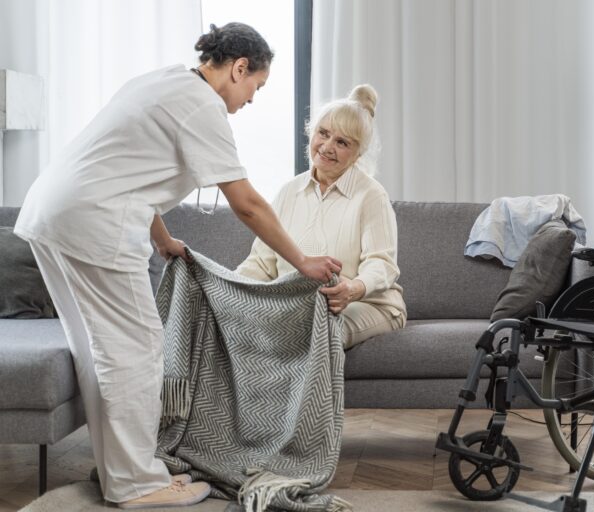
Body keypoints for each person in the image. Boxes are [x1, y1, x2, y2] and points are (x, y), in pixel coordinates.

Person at [13, 23, 341, 509]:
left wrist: (163, 239)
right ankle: (137, 484)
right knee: (139, 351)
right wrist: (302, 260)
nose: (253, 99)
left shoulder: (164, 81)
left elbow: (129, 168)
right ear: (238, 68)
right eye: (257, 86)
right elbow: (247, 203)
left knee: (100, 352)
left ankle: (122, 474)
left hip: (53, 216)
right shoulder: (202, 106)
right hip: (93, 227)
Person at [236, 84, 406, 349]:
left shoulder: (372, 196)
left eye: (342, 142)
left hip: (369, 304)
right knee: (249, 328)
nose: (327, 147)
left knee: (316, 331)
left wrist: (354, 289)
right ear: (311, 133)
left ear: (358, 152)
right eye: (323, 134)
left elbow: (382, 265)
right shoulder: (288, 192)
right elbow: (261, 263)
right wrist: (231, 290)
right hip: (299, 306)